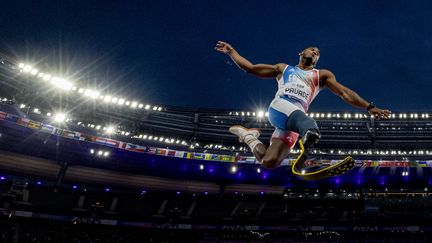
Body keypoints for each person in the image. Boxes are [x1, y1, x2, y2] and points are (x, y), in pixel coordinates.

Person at [215, 41, 391, 175]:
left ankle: (249, 137)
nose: (315, 52)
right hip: (280, 107)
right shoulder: (283, 68)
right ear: (301, 53)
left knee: (269, 161)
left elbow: (344, 92)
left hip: (296, 119)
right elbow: (251, 68)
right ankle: (311, 146)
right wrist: (231, 51)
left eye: (318, 53)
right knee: (311, 128)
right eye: (312, 49)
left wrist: (369, 107)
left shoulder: (321, 75)